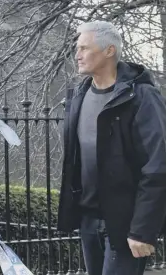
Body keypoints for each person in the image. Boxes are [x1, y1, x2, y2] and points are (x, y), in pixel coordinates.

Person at [57, 20, 166, 275]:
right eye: (77, 48)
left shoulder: (142, 97)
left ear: (109, 51)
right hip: (88, 220)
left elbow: (159, 166)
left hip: (125, 224)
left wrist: (142, 229)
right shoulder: (80, 94)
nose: (78, 54)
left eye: (85, 48)